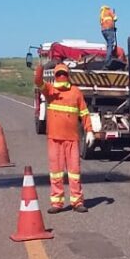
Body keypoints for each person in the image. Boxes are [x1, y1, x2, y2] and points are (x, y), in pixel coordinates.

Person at [34, 62, 94, 213]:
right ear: (55, 76)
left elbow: (84, 113)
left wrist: (90, 130)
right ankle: (57, 203)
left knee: (74, 172)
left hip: (72, 139)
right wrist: (40, 68)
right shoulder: (50, 91)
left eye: (64, 74)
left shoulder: (76, 92)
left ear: (68, 76)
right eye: (59, 74)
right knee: (56, 172)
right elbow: (38, 82)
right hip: (55, 139)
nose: (61, 77)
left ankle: (77, 202)